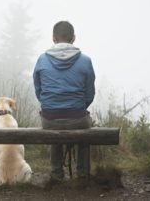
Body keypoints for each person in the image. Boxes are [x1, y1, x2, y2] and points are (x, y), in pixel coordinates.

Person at [33, 21, 95, 182]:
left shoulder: (41, 60)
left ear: (53, 38)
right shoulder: (85, 60)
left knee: (55, 126)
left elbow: (39, 90)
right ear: (73, 38)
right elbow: (90, 94)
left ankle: (56, 174)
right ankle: (83, 174)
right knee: (84, 131)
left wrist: (52, 105)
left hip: (49, 119)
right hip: (78, 117)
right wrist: (78, 107)